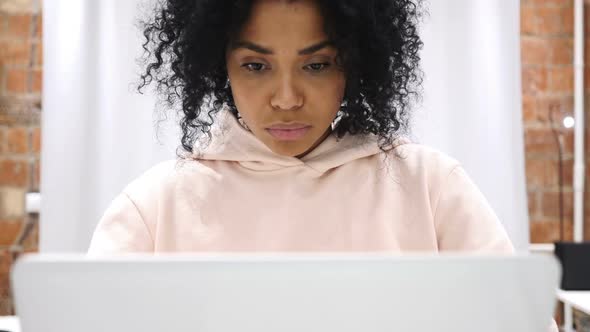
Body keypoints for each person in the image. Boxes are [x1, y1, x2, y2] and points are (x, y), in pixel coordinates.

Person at [88, 0, 514, 254]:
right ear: (220, 66)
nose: (287, 98)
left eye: (316, 65)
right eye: (256, 66)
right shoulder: (152, 210)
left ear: (353, 64)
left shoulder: (432, 189)